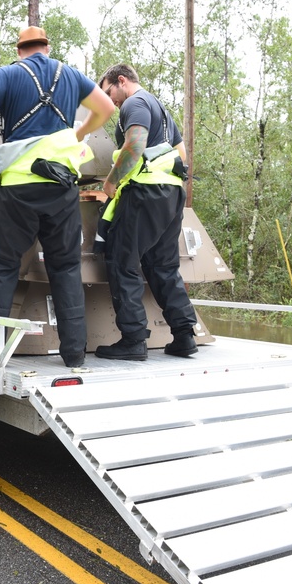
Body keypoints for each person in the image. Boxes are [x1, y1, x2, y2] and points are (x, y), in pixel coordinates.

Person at [0, 26, 114, 368]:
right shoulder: (70, 75)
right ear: (46, 48)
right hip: (61, 186)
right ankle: (75, 354)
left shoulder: (8, 75)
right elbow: (105, 108)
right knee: (65, 268)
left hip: (18, 186)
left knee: (2, 268)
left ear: (20, 50)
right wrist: (76, 134)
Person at [94, 63, 198, 361]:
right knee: (162, 265)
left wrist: (111, 183)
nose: (110, 101)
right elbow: (181, 154)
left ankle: (133, 340)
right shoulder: (161, 109)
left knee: (122, 261)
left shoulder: (135, 103)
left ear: (121, 81)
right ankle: (184, 335)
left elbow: (135, 144)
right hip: (172, 192)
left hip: (145, 193)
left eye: (109, 92)